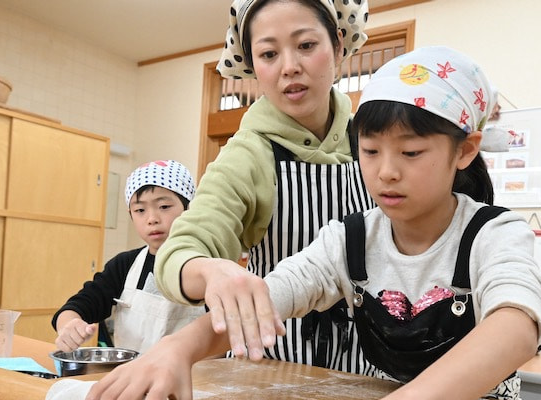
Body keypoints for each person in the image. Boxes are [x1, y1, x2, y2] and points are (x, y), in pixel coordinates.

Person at [80, 46, 541, 400]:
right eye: (369, 152)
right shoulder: (350, 240)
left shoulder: (494, 233)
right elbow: (266, 297)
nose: (386, 171)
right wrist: (177, 349)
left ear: (465, 151)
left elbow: (516, 327)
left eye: (411, 152)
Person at [153, 0, 377, 372]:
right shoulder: (248, 154)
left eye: (306, 45)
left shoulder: (369, 139)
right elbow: (181, 250)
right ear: (253, 65)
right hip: (273, 362)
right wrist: (210, 271)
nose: (290, 67)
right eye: (269, 53)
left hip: (370, 363)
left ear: (338, 45)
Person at [52, 160, 204, 354]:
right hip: (131, 377)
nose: (152, 219)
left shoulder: (205, 265)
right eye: (140, 210)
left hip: (193, 380)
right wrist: (69, 324)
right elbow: (82, 303)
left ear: (189, 208)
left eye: (164, 206)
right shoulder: (124, 265)